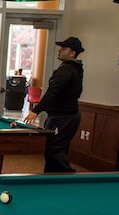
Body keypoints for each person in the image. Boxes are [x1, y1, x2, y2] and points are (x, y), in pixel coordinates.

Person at [24, 36, 85, 173]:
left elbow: (52, 92)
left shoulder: (67, 70)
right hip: (66, 115)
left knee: (55, 149)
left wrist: (36, 111)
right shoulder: (76, 68)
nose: (60, 51)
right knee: (57, 148)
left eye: (64, 49)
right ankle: (51, 176)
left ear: (72, 53)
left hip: (63, 117)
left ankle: (67, 176)